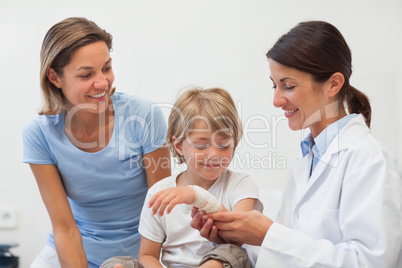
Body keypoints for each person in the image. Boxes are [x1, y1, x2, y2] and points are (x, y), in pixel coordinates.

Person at [191, 21, 402, 267]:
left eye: (288, 86)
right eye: (274, 85)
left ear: (333, 84)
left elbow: (372, 262)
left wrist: (269, 235)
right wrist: (236, 237)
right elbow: (286, 254)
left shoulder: (369, 160)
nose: (276, 100)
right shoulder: (304, 161)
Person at [22, 17, 171, 268]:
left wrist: (142, 262)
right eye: (86, 74)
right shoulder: (39, 135)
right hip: (74, 249)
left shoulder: (144, 114)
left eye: (107, 67)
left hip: (143, 251)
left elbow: (162, 211)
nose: (102, 82)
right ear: (55, 77)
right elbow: (65, 228)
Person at [101, 87, 263, 268]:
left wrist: (196, 196)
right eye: (201, 146)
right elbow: (147, 255)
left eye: (223, 144)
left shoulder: (241, 184)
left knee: (230, 252)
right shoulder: (160, 192)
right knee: (116, 263)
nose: (214, 154)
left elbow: (239, 234)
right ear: (178, 146)